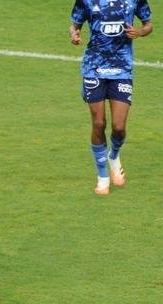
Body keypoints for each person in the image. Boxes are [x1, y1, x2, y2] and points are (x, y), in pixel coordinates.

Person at [70, 0, 153, 195]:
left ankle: (114, 156)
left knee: (119, 126)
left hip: (122, 69)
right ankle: (102, 177)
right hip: (94, 69)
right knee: (98, 123)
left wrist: (140, 32)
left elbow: (148, 24)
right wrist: (74, 34)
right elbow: (75, 24)